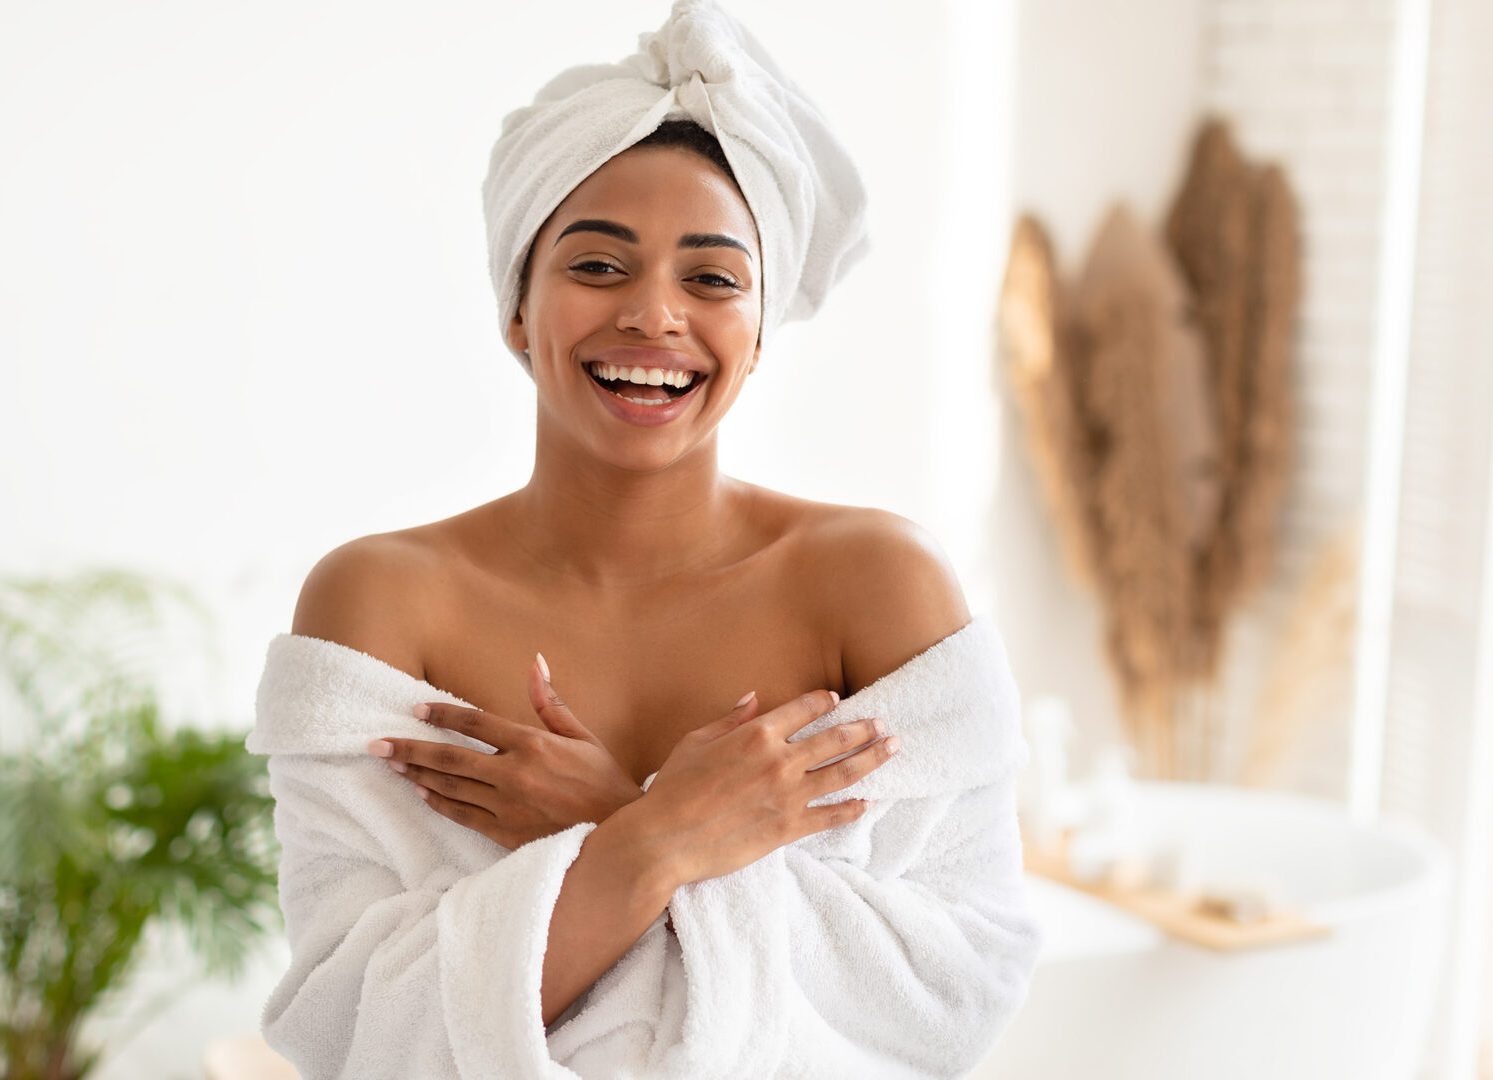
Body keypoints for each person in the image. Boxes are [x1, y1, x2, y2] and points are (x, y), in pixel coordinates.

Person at [262, 3, 1039, 1075]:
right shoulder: (380, 602)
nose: (654, 316)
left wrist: (611, 826)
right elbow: (350, 1018)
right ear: (517, 309)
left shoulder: (876, 585)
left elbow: (956, 988)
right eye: (596, 266)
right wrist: (657, 840)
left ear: (759, 332)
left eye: (712, 278)